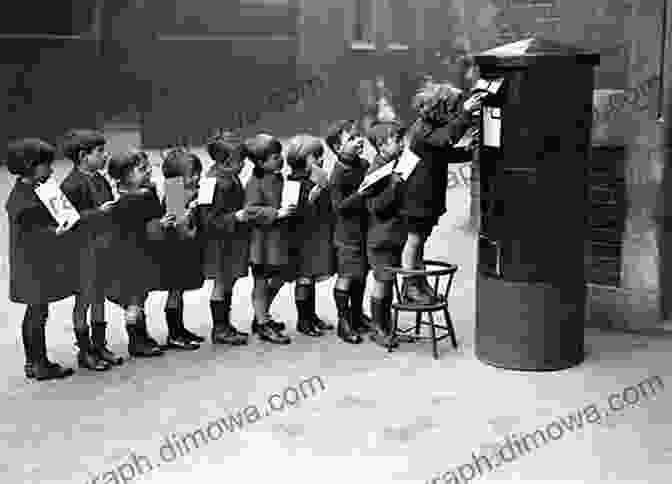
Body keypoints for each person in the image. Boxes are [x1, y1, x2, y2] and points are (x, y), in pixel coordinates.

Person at [6, 138, 76, 380]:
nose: (51, 169)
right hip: (30, 264)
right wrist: (54, 232)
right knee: (36, 311)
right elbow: (31, 231)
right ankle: (37, 362)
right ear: (30, 166)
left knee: (39, 310)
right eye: (45, 164)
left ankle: (35, 361)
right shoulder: (21, 198)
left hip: (38, 262)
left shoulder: (41, 188)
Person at [400, 82, 472, 304]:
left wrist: (468, 151)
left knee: (419, 240)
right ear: (440, 108)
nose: (454, 114)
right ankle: (411, 285)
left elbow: (441, 152)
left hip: (426, 194)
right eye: (452, 109)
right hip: (418, 196)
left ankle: (418, 282)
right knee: (414, 240)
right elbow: (445, 140)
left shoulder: (426, 126)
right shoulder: (423, 129)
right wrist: (467, 114)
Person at [60, 129, 122, 370]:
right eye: (100, 152)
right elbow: (67, 220)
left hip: (102, 247)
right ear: (83, 156)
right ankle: (84, 351)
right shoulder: (71, 184)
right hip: (82, 250)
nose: (105, 156)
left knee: (99, 297)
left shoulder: (99, 178)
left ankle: (99, 345)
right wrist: (99, 213)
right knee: (84, 299)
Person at [104, 150, 173, 357]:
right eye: (142, 169)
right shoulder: (124, 203)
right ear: (124, 177)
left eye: (148, 167)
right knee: (134, 303)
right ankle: (136, 340)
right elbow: (133, 231)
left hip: (142, 256)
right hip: (129, 259)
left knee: (140, 299)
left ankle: (142, 336)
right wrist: (159, 224)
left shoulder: (144, 193)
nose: (149, 171)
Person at [244, 134, 295, 344]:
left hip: (276, 242)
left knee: (279, 277)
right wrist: (277, 213)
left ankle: (261, 315)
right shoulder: (254, 183)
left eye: (280, 155)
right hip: (261, 244)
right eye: (275, 157)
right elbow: (250, 210)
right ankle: (263, 323)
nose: (280, 160)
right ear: (259, 162)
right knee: (261, 283)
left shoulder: (277, 177)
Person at [201, 133, 250, 345]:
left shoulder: (230, 177)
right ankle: (219, 329)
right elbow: (207, 219)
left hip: (230, 239)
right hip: (218, 243)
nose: (244, 165)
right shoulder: (212, 182)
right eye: (241, 161)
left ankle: (225, 324)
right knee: (220, 284)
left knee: (228, 282)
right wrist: (236, 217)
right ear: (227, 162)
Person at [284, 134, 336, 336]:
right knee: (304, 279)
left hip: (314, 236)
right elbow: (291, 214)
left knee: (311, 278)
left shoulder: (314, 178)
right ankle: (303, 321)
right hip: (300, 239)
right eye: (316, 156)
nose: (321, 160)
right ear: (303, 159)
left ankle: (311, 316)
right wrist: (310, 200)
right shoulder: (292, 183)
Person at [363, 121, 408, 347]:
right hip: (381, 236)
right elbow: (374, 207)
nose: (402, 144)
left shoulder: (394, 164)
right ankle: (378, 328)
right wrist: (393, 186)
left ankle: (386, 326)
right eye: (397, 141)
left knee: (388, 280)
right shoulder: (378, 170)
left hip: (393, 234)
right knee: (382, 281)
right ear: (381, 145)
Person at [327, 120, 372, 343]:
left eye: (358, 136)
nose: (359, 140)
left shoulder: (363, 165)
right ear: (337, 148)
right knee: (346, 276)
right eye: (351, 139)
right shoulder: (338, 173)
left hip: (365, 230)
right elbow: (339, 207)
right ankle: (343, 322)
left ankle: (357, 315)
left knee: (362, 274)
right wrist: (361, 193)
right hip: (346, 235)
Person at [157, 148, 207, 350]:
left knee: (179, 293)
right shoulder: (175, 193)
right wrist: (194, 209)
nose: (197, 178)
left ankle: (180, 329)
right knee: (175, 293)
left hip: (181, 249)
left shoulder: (182, 190)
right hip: (175, 252)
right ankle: (174, 334)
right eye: (192, 174)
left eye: (198, 173)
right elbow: (183, 230)